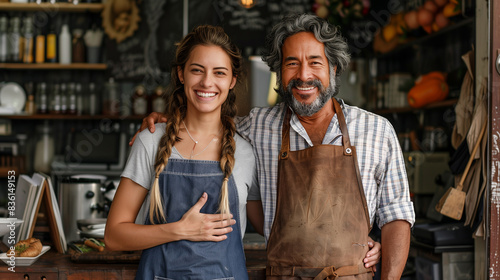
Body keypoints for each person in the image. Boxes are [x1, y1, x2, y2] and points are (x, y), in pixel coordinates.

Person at [133, 15, 396, 279]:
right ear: (279, 72)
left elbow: (397, 216)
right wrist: (167, 119)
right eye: (292, 63)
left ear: (334, 68)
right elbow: (204, 117)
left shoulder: (376, 130)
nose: (304, 75)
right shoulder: (258, 126)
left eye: (315, 62)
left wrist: (371, 246)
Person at [105, 25, 261, 280]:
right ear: (181, 74)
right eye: (197, 70)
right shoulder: (151, 142)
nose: (207, 82)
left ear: (232, 81)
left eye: (219, 73)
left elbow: (269, 226)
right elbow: (114, 236)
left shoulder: (246, 151)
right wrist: (180, 230)